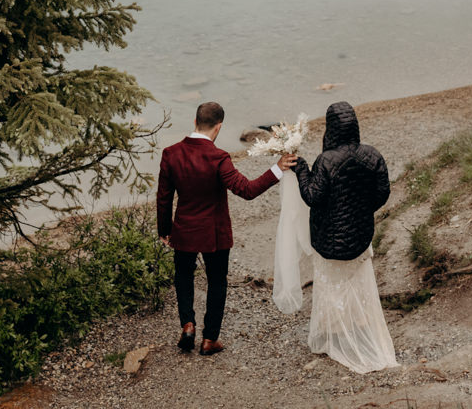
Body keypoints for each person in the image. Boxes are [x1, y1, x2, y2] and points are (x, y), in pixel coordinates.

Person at [157, 101, 297, 356]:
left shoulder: (170, 154)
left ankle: (188, 325)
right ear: (219, 127)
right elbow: (247, 190)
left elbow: (164, 198)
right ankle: (209, 340)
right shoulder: (218, 157)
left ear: (194, 122)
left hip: (184, 230)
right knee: (217, 283)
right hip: (214, 233)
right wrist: (278, 168)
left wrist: (164, 230)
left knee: (184, 278)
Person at [292, 100, 398, 373]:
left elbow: (312, 197)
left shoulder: (325, 160)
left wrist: (301, 168)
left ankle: (334, 336)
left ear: (330, 129)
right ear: (355, 126)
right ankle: (357, 327)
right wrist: (361, 211)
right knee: (357, 282)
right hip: (361, 235)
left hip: (329, 239)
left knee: (331, 285)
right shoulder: (372, 155)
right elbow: (382, 192)